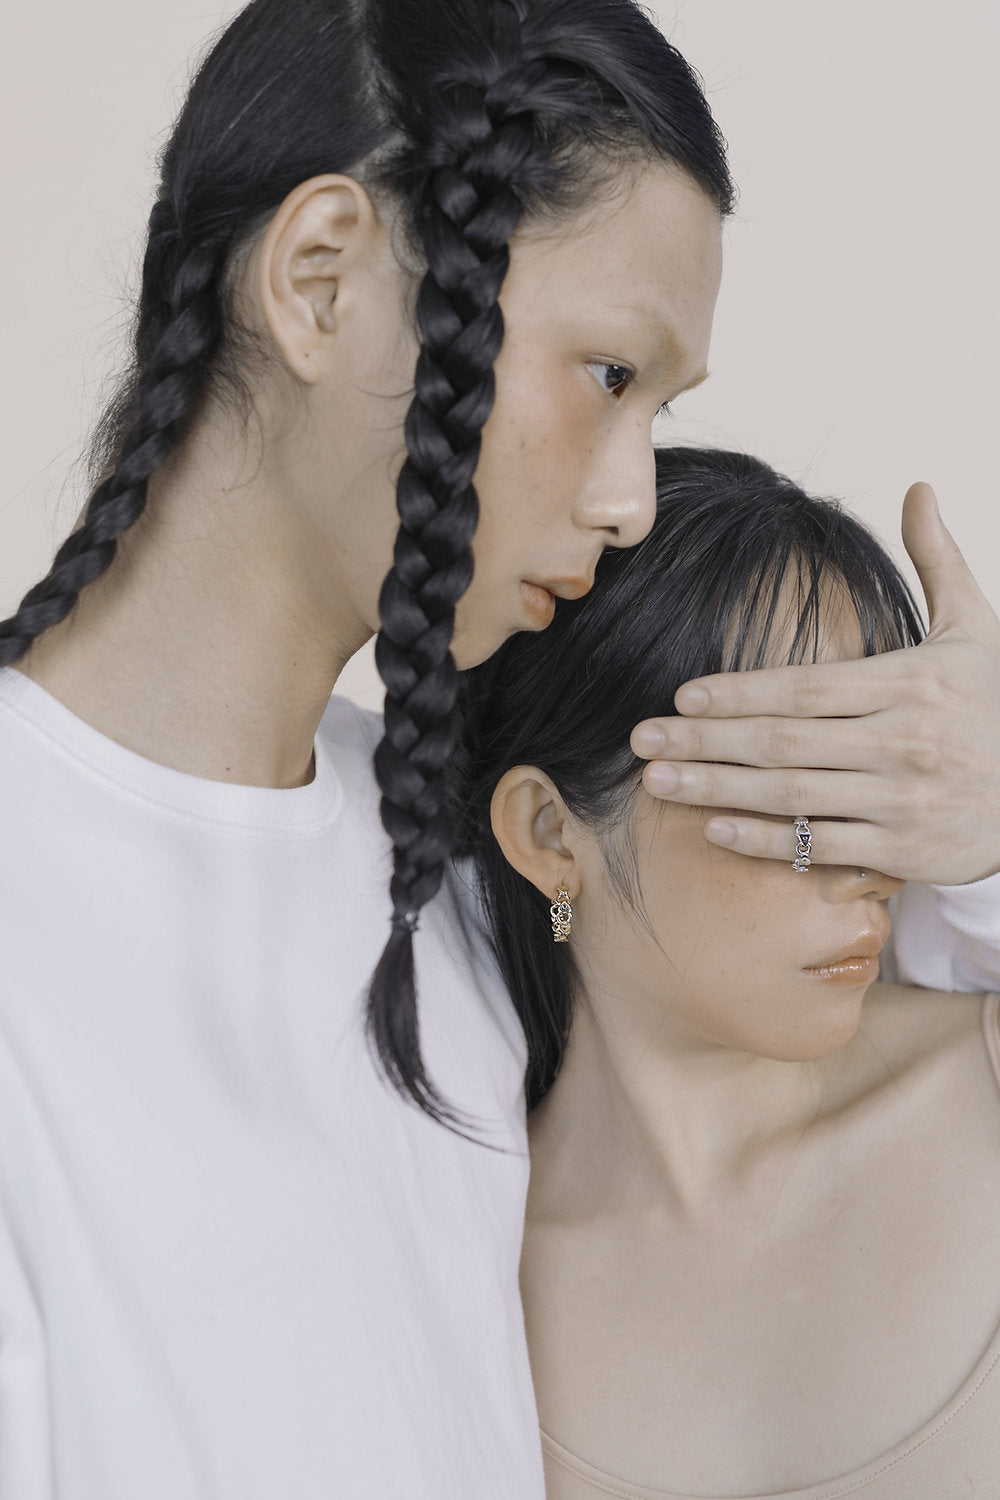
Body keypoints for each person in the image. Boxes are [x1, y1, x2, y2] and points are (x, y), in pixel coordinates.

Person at [0, 0, 998, 1496]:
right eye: (609, 374)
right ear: (322, 281)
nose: (633, 502)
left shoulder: (453, 877)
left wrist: (966, 808)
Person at [452, 446, 1000, 1498]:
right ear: (550, 833)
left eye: (885, 783)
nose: (874, 865)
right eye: (799, 796)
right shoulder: (460, 1288)